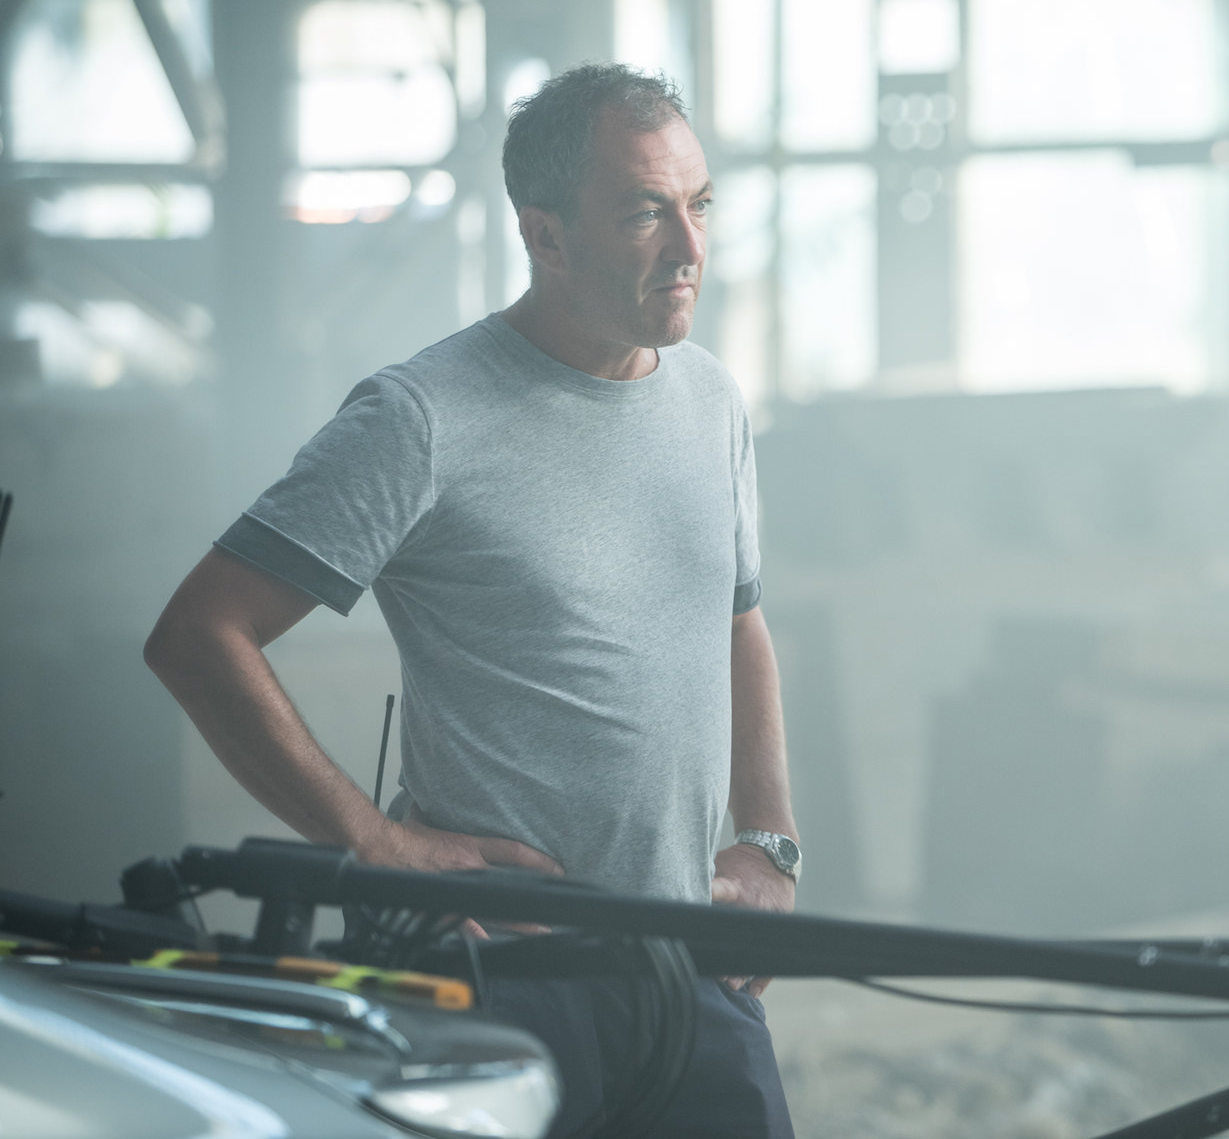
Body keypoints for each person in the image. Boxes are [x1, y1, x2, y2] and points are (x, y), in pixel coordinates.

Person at [145, 64, 799, 1137]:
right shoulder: (422, 418)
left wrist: (768, 841)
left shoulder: (711, 399)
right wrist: (371, 839)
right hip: (503, 971)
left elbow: (737, 622)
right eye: (644, 212)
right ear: (545, 237)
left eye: (700, 204)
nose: (689, 247)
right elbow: (199, 634)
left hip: (688, 960)